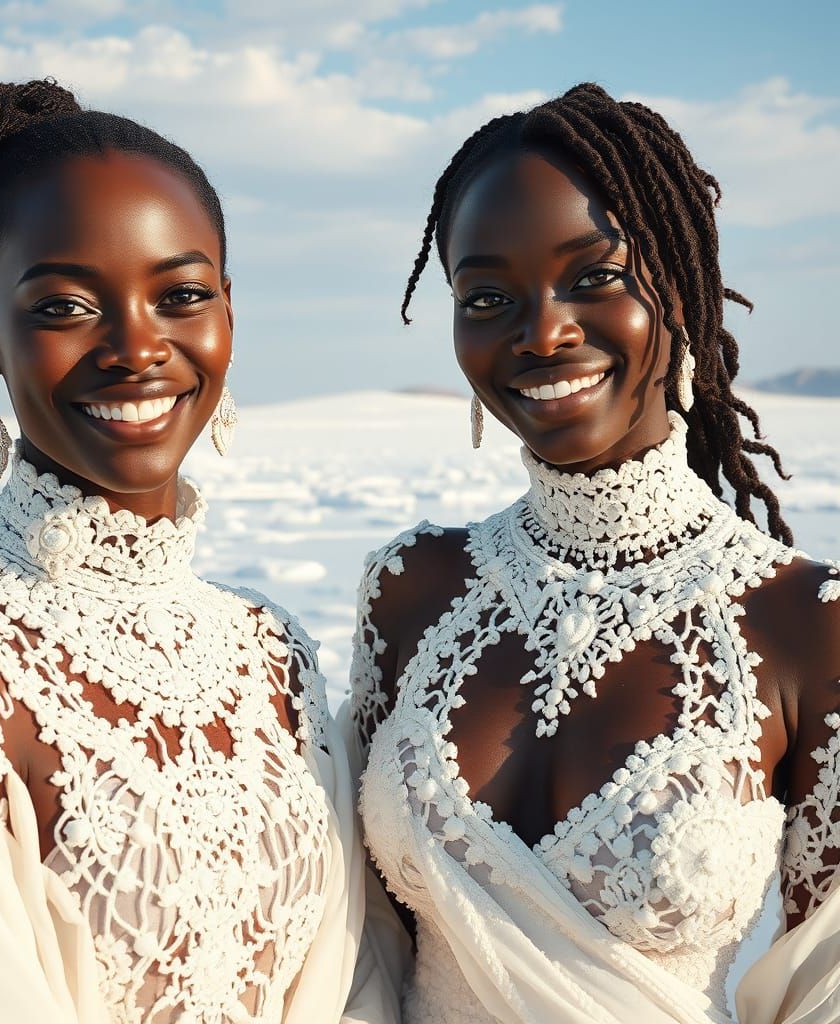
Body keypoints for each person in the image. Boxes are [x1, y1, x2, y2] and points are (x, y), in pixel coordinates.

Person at [0, 79, 405, 1023]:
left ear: (227, 313)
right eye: (64, 307)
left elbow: (354, 983)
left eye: (180, 294)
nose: (139, 348)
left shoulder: (273, 654)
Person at [348, 82, 840, 1023]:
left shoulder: (807, 625)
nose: (543, 331)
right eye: (488, 296)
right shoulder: (411, 588)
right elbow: (368, 941)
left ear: (683, 291)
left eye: (596, 277)